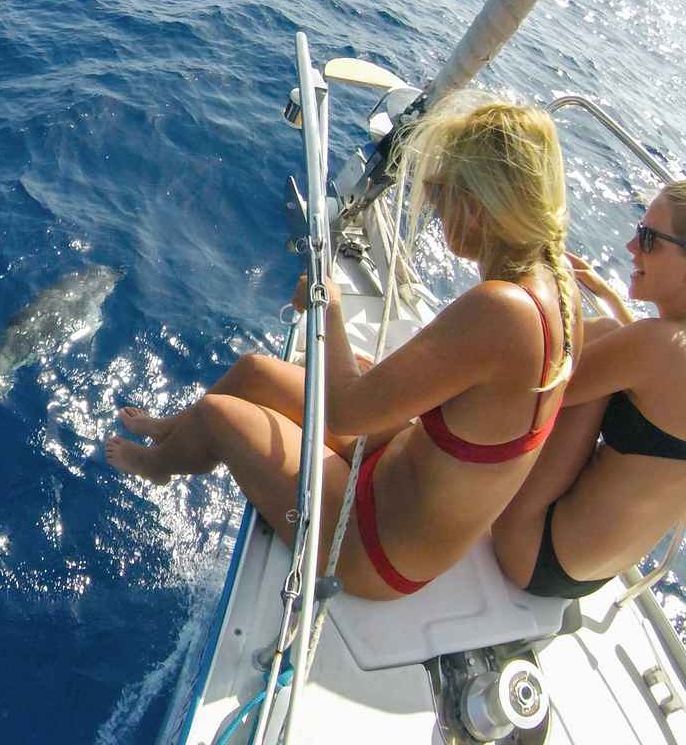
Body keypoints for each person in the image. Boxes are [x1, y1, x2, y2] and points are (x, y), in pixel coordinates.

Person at [105, 96, 580, 601]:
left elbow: (347, 414)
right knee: (254, 373)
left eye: (441, 189)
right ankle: (169, 430)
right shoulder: (553, 283)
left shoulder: (501, 309)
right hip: (402, 472)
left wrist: (327, 303)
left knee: (221, 416)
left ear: (483, 206)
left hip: (378, 545)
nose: (435, 204)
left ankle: (159, 466)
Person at [492, 183, 686, 599]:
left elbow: (534, 391)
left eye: (650, 239)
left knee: (591, 339)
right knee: (609, 333)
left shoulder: (656, 347)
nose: (632, 245)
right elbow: (647, 364)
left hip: (525, 545)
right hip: (588, 576)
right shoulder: (669, 348)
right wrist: (610, 294)